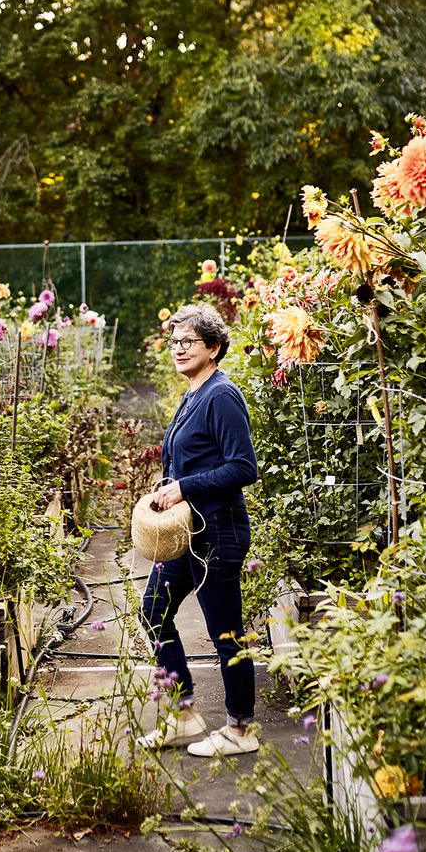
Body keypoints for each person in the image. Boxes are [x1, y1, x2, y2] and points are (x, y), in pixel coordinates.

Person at [139, 302, 260, 757]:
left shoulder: (222, 395)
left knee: (225, 631)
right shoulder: (194, 394)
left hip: (218, 535)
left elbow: (243, 467)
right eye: (174, 342)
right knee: (153, 610)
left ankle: (241, 729)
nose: (179, 349)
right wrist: (170, 486)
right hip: (186, 534)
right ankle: (184, 713)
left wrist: (184, 486)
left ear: (214, 347)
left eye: (189, 342)